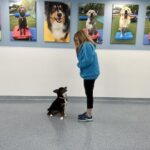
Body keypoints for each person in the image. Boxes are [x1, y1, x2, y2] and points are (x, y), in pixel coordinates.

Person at [73, 30, 100, 122]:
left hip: (90, 73)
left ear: (81, 37)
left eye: (76, 39)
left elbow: (87, 61)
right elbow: (82, 57)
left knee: (89, 94)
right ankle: (88, 112)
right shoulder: (85, 45)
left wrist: (79, 65)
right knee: (88, 93)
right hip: (90, 73)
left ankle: (89, 115)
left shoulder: (86, 45)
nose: (76, 41)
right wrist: (76, 48)